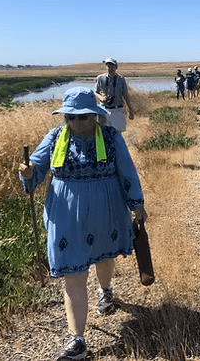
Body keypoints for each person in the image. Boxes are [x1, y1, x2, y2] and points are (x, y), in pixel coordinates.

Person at [19, 87, 147, 361]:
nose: (78, 122)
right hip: (65, 217)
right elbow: (36, 171)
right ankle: (77, 340)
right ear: (65, 117)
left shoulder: (111, 137)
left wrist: (137, 205)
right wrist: (28, 173)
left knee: (104, 256)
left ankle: (105, 291)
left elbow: (127, 171)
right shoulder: (54, 138)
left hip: (107, 212)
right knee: (73, 273)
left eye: (84, 116)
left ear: (96, 115)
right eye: (72, 117)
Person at [94, 58, 134, 132]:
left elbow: (126, 95)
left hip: (117, 110)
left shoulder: (121, 79)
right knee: (104, 134)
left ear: (116, 67)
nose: (110, 68)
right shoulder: (100, 78)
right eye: (108, 66)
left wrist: (130, 110)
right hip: (104, 109)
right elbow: (96, 92)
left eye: (112, 66)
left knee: (117, 134)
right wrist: (102, 98)